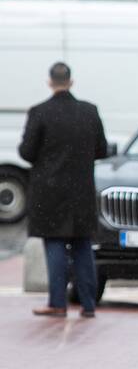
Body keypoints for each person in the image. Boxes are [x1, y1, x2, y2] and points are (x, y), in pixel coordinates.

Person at [18, 62, 108, 318]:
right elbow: (101, 149)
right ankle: (89, 304)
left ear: (50, 82)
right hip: (81, 191)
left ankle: (58, 302)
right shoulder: (89, 112)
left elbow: (26, 152)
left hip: (50, 193)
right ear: (71, 82)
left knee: (55, 244)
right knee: (82, 246)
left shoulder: (40, 113)